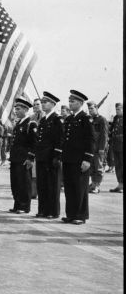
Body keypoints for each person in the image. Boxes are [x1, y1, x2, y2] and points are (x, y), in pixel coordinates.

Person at [61, 90, 94, 224]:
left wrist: (87, 159)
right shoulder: (69, 119)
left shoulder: (86, 119)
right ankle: (71, 214)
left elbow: (90, 140)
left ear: (80, 103)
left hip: (80, 159)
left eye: (73, 101)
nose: (70, 103)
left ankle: (80, 215)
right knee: (69, 187)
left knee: (80, 188)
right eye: (69, 101)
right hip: (69, 158)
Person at [34, 92, 63, 219]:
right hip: (41, 156)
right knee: (42, 184)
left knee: (52, 185)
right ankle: (43, 209)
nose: (43, 104)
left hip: (51, 157)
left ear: (53, 104)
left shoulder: (57, 119)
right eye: (42, 102)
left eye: (45, 102)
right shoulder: (44, 119)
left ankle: (53, 211)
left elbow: (60, 139)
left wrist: (57, 156)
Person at [8, 98, 37, 214]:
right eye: (15, 109)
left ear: (25, 109)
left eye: (18, 109)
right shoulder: (19, 123)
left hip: (24, 159)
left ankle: (24, 206)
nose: (16, 111)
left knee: (24, 183)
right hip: (15, 158)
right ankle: (17, 204)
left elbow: (34, 143)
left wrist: (31, 158)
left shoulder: (30, 123)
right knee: (15, 183)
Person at [87, 101, 108, 194]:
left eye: (92, 108)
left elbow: (104, 135)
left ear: (96, 108)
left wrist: (102, 148)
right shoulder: (89, 119)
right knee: (92, 167)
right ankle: (93, 183)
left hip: (99, 148)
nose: (90, 110)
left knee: (99, 167)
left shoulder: (102, 119)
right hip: (91, 148)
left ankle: (97, 185)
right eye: (89, 109)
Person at [109, 103, 124, 193]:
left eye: (119, 109)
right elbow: (111, 130)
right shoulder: (116, 118)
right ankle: (120, 184)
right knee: (118, 165)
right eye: (116, 109)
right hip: (115, 144)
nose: (117, 111)